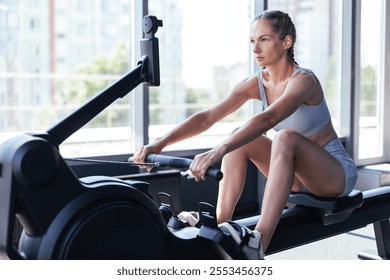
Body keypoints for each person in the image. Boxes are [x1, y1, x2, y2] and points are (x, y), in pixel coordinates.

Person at [130, 10, 358, 259]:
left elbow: (268, 119)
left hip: (333, 175)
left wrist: (218, 150)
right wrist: (159, 145)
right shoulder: (258, 82)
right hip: (296, 177)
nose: (255, 48)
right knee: (240, 137)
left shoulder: (304, 81)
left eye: (264, 39)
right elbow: (208, 117)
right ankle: (219, 221)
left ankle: (259, 241)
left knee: (284, 137)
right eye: (252, 41)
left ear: (286, 42)